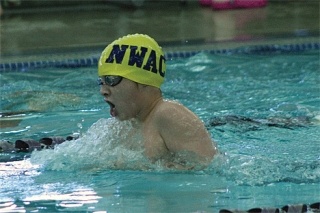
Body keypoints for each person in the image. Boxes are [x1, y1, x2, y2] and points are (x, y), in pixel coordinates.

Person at [98, 34, 217, 170]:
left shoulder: (169, 115)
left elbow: (210, 169)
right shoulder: (123, 126)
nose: (103, 90)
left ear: (143, 80)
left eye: (111, 80)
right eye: (101, 82)